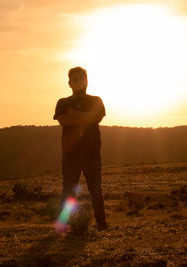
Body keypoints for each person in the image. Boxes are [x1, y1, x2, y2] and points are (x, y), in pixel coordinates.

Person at [53, 66, 108, 231]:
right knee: (68, 190)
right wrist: (86, 118)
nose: (78, 82)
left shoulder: (96, 100)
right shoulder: (62, 103)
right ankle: (64, 225)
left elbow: (96, 117)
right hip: (71, 154)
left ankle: (101, 224)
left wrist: (75, 115)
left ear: (87, 81)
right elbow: (64, 121)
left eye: (81, 78)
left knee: (96, 189)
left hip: (91, 153)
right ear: (69, 83)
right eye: (74, 79)